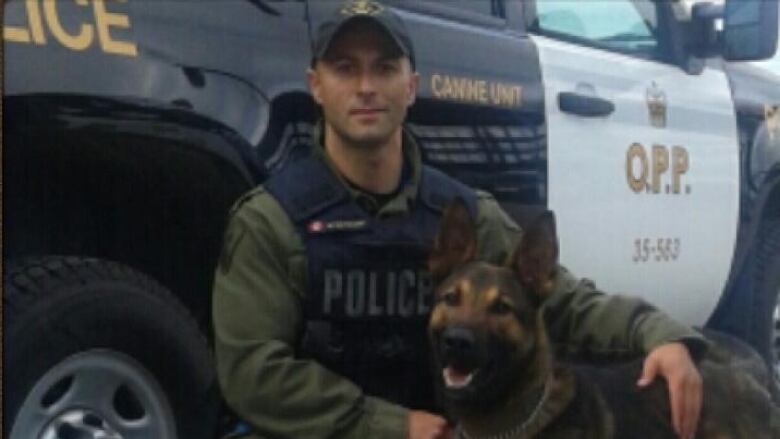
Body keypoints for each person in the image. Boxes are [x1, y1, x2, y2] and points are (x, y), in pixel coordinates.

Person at [212, 2, 707, 438]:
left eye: (384, 69)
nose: (366, 87)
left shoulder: (464, 214)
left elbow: (563, 303)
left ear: (410, 87)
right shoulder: (273, 221)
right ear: (316, 87)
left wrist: (660, 335)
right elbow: (252, 373)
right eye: (345, 69)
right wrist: (390, 427)